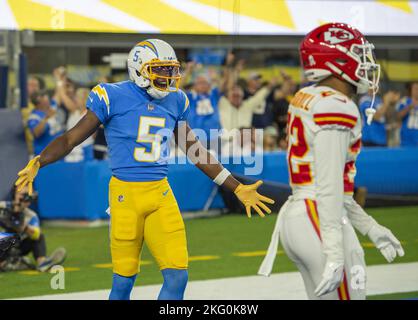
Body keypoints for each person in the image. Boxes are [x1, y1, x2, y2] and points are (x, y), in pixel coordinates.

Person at [15, 39, 274, 300]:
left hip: (160, 195)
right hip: (125, 197)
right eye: (160, 69)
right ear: (139, 69)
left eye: (171, 70)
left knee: (178, 274)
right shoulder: (112, 96)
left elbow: (195, 151)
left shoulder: (176, 101)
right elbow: (71, 138)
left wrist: (235, 186)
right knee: (123, 282)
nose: (168, 76)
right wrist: (41, 160)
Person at [258, 23, 404, 300]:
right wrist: (335, 250)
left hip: (301, 214)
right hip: (319, 216)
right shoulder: (337, 105)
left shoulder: (309, 96)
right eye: (358, 54)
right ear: (337, 60)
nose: (365, 63)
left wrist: (370, 227)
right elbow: (329, 187)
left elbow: (332, 186)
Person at [0, 185, 66, 272]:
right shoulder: (3, 207)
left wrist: (24, 227)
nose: (25, 197)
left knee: (39, 236)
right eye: (22, 194)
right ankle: (7, 263)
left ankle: (42, 263)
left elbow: (36, 235)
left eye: (28, 194)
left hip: (19, 247)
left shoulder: (31, 215)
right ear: (14, 195)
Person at [27, 90, 63, 156]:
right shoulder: (34, 117)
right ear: (39, 103)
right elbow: (36, 133)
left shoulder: (51, 107)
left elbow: (57, 96)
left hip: (60, 152)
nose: (48, 101)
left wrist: (60, 83)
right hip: (45, 155)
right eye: (45, 99)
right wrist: (46, 118)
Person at [65, 87, 94, 162]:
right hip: (71, 151)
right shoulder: (74, 112)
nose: (75, 99)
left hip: (85, 151)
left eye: (77, 97)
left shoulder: (91, 115)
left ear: (84, 99)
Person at [397, 81, 418, 146]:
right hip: (406, 140)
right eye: (415, 88)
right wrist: (409, 107)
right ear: (411, 90)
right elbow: (398, 116)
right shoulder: (405, 101)